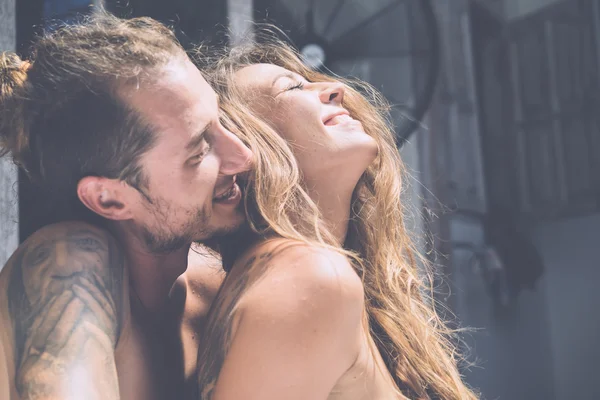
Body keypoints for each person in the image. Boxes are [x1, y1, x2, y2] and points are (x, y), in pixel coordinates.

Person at [195, 34, 479, 400]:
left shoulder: (319, 274)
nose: (334, 89)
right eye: (293, 87)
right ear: (243, 146)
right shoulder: (309, 277)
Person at [0, 12, 251, 400]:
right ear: (109, 198)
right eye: (200, 150)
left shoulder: (217, 279)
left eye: (220, 120)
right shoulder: (69, 263)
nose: (243, 156)